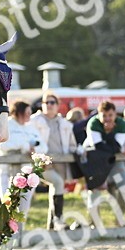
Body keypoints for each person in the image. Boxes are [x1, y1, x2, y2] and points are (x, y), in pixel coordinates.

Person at [29, 95, 78, 230]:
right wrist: (40, 158)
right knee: (57, 183)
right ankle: (58, 220)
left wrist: (78, 153)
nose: (49, 105)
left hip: (61, 162)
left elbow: (72, 144)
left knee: (57, 187)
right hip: (41, 163)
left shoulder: (65, 124)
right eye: (46, 102)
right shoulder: (33, 121)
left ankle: (52, 224)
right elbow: (31, 143)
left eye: (52, 102)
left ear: (58, 105)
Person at [82, 101, 125, 227]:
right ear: (98, 115)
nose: (107, 119)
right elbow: (99, 148)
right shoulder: (93, 123)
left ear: (115, 114)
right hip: (94, 160)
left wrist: (113, 142)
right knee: (94, 189)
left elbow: (113, 147)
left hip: (112, 160)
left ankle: (119, 220)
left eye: (110, 115)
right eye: (104, 115)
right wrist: (119, 147)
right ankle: (95, 223)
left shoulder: (121, 124)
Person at [0, 101, 41, 209]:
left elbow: (42, 144)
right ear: (19, 112)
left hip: (26, 171)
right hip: (6, 169)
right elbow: (2, 145)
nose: (29, 115)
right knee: (8, 204)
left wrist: (34, 149)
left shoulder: (31, 127)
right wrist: (24, 146)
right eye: (27, 112)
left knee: (24, 205)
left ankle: (21, 226)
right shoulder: (7, 124)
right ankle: (8, 226)